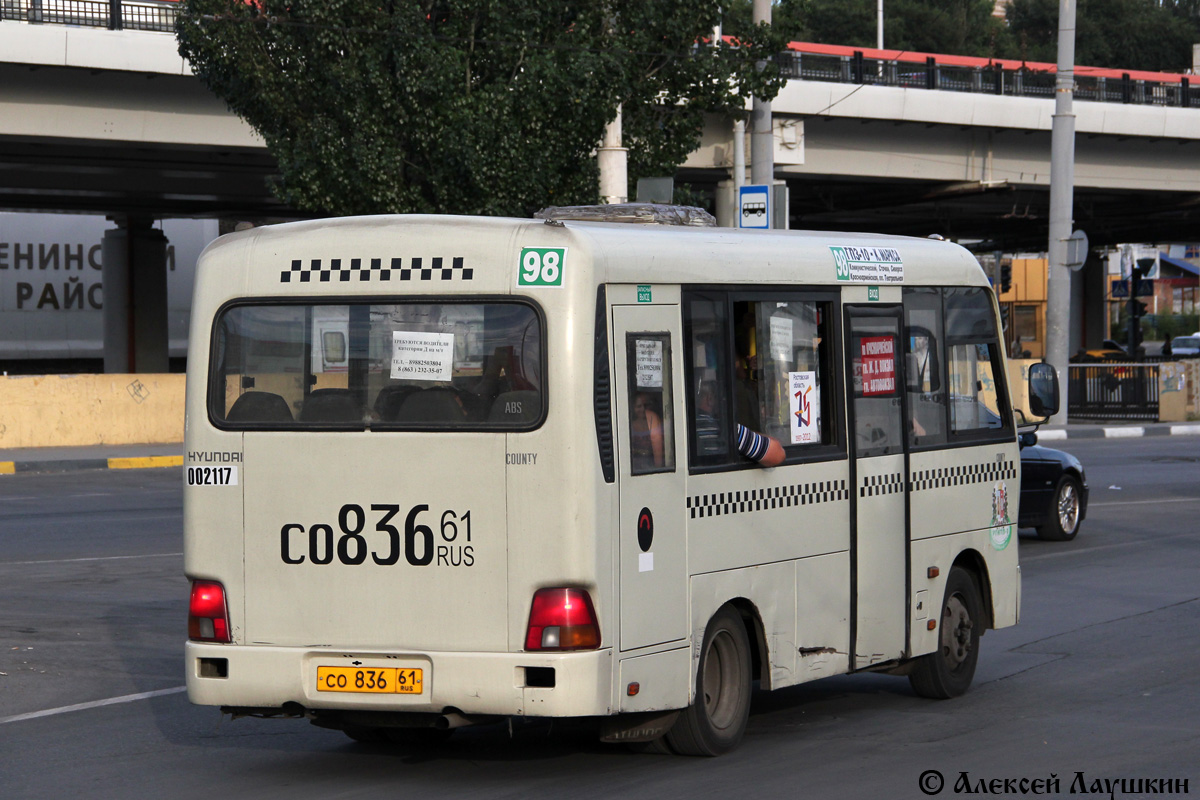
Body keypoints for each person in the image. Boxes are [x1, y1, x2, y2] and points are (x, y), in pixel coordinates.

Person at [630, 392, 664, 470]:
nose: (642, 409)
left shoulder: (652, 418)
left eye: (645, 406)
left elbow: (657, 445)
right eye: (638, 406)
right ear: (633, 407)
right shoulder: (629, 420)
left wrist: (658, 469)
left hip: (650, 464)